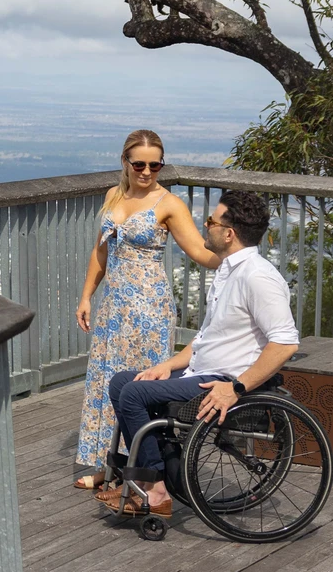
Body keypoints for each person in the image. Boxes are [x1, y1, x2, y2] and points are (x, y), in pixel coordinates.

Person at [99, 189, 300, 517]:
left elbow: (285, 343)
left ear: (228, 233)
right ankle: (157, 469)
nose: (205, 226)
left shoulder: (258, 277)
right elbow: (206, 338)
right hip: (201, 370)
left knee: (134, 395)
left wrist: (236, 388)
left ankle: (155, 488)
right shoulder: (227, 270)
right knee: (123, 382)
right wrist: (167, 365)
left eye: (211, 221)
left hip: (222, 379)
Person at [72, 130, 217, 490]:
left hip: (148, 308)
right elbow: (101, 252)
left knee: (139, 385)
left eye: (156, 165)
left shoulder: (168, 203)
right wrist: (87, 296)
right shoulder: (113, 195)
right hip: (113, 305)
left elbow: (199, 251)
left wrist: (240, 256)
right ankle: (108, 466)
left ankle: (140, 472)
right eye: (140, 164)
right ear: (125, 162)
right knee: (106, 382)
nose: (147, 171)